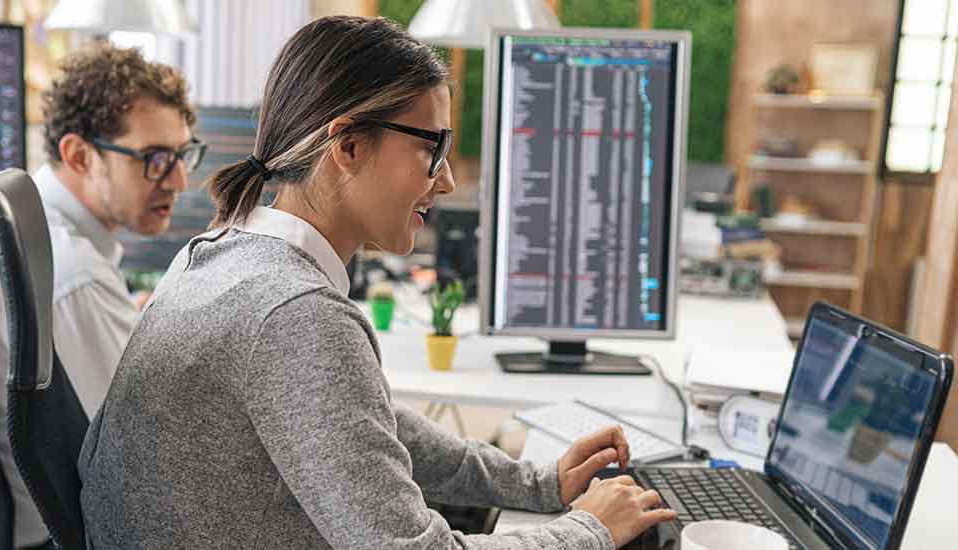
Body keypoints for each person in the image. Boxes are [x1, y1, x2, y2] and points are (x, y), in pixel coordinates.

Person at [79, 16, 674, 550]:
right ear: (348, 145)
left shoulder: (215, 254)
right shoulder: (294, 313)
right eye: (432, 149)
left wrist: (536, 483)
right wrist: (591, 529)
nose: (445, 181)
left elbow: (364, 424)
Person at [0, 43, 203, 548]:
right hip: (54, 532)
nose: (179, 180)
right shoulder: (73, 277)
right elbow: (150, 455)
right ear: (79, 155)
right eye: (154, 159)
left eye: (182, 154)